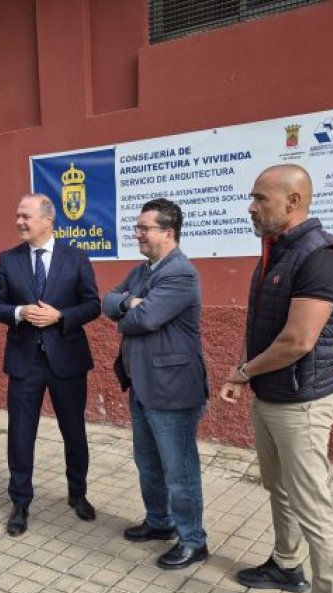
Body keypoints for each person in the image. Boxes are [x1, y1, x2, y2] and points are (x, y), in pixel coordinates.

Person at [219, 164, 333, 593]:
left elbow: (298, 340)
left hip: (303, 401)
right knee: (278, 487)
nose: (251, 207)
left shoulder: (320, 256)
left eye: (260, 198)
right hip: (272, 394)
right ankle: (286, 564)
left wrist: (242, 372)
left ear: (293, 202)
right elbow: (262, 325)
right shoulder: (277, 250)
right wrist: (245, 371)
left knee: (312, 504)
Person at [103, 198, 209, 570]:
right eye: (138, 227)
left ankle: (193, 541)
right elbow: (108, 300)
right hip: (143, 385)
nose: (138, 234)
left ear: (169, 233)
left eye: (145, 228)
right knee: (148, 462)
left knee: (179, 470)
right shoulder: (141, 271)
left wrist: (129, 308)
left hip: (172, 388)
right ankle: (160, 521)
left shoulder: (180, 273)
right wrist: (128, 302)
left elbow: (144, 320)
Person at [0, 193, 101, 536]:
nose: (19, 222)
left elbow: (92, 304)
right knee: (21, 434)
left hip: (67, 360)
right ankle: (20, 502)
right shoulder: (8, 259)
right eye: (17, 216)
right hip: (25, 362)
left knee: (74, 431)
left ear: (48, 220)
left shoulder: (76, 257)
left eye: (26, 216)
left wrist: (60, 316)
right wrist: (19, 312)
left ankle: (78, 493)